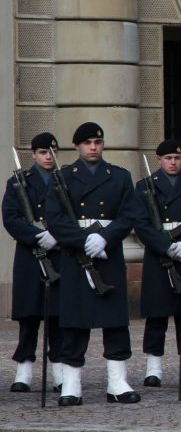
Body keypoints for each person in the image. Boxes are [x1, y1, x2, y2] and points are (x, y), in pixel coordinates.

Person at [44, 122, 139, 406]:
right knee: (75, 321)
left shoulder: (119, 177)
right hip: (76, 257)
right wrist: (83, 240)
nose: (93, 147)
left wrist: (105, 239)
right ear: (78, 146)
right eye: (87, 143)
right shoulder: (63, 178)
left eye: (97, 142)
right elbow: (55, 218)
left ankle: (117, 382)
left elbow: (129, 214)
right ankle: (71, 384)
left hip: (107, 256)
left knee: (115, 322)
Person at [128, 139, 181, 388]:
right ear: (159, 160)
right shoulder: (146, 187)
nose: (173, 162)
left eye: (177, 158)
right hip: (158, 255)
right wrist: (164, 245)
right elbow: (140, 223)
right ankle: (154, 367)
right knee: (156, 313)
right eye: (168, 158)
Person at [3, 132, 63, 392]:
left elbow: (71, 215)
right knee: (29, 316)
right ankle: (24, 370)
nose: (48, 157)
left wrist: (57, 236)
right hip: (30, 255)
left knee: (58, 316)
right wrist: (38, 236)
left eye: (52, 151)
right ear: (34, 155)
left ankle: (60, 370)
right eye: (42, 152)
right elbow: (11, 218)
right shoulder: (19, 183)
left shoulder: (66, 180)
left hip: (59, 253)